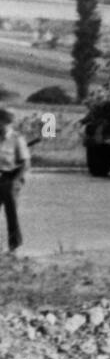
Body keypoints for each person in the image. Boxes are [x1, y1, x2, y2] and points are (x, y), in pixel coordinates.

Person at [0, 107, 30, 255]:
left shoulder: (17, 139)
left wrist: (14, 181)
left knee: (11, 213)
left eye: (2, 122)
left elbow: (25, 164)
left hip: (11, 178)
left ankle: (14, 246)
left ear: (7, 122)